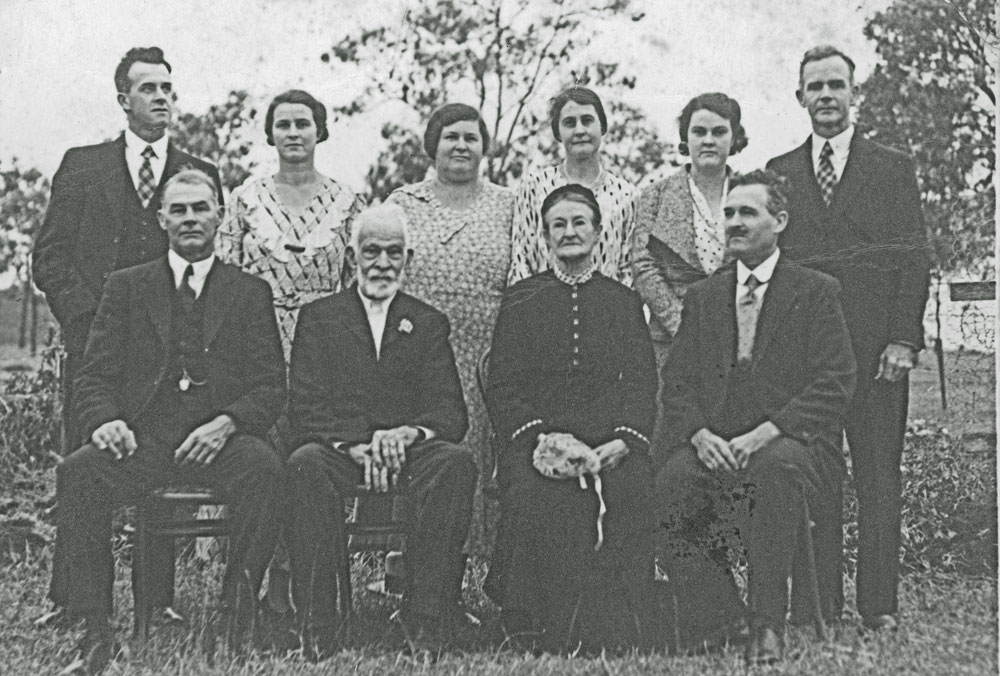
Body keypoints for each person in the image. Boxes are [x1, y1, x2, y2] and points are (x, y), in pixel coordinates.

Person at [52, 169, 286, 674]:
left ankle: (235, 614)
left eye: (200, 208)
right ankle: (95, 628)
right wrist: (106, 421)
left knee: (267, 471)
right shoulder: (127, 286)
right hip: (145, 440)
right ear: (161, 220)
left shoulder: (249, 292)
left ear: (220, 216)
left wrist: (228, 422)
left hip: (221, 440)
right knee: (78, 472)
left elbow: (270, 384)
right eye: (177, 210)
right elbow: (92, 375)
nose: (189, 219)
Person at [33, 45, 224, 631]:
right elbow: (50, 257)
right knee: (86, 466)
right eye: (148, 88)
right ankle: (71, 603)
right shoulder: (83, 166)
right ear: (124, 100)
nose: (162, 97)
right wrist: (89, 323)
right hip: (98, 356)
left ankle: (156, 599)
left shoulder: (198, 174)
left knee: (158, 462)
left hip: (173, 359)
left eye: (168, 87)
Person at [656, 170, 856, 665]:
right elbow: (677, 383)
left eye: (749, 212)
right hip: (718, 441)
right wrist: (700, 436)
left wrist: (766, 434)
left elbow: (835, 382)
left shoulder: (815, 291)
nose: (735, 223)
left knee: (773, 471)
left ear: (779, 221)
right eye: (729, 213)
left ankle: (768, 623)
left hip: (794, 443)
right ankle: (721, 613)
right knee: (669, 481)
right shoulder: (705, 297)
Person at [767, 45, 931, 631]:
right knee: (814, 476)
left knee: (878, 475)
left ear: (853, 93)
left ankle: (878, 606)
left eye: (837, 85)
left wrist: (903, 340)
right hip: (809, 360)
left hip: (877, 354)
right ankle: (818, 604)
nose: (827, 96)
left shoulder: (891, 166)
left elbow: (914, 257)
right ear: (801, 97)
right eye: (816, 87)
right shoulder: (780, 173)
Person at [286, 203, 475, 660]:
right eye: (372, 252)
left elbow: (451, 411)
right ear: (352, 258)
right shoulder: (319, 317)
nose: (383, 263)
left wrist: (408, 433)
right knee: (303, 464)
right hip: (339, 448)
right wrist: (356, 444)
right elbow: (305, 408)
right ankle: (320, 623)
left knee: (455, 463)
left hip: (407, 450)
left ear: (408, 259)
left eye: (394, 253)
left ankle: (425, 616)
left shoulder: (428, 321)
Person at [485, 184, 658, 654]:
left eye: (579, 222)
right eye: (558, 225)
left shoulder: (622, 301)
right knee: (536, 493)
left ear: (598, 231)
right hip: (540, 444)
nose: (569, 232)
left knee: (634, 487)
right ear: (544, 236)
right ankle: (536, 624)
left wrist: (626, 439)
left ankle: (617, 625)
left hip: (609, 443)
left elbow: (643, 381)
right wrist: (538, 440)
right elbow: (503, 383)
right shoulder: (522, 298)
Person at [387, 103, 513, 555]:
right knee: (420, 456)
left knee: (472, 461)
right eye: (451, 136)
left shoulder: (509, 205)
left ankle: (458, 581)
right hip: (415, 357)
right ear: (432, 146)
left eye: (471, 137)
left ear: (484, 147)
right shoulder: (403, 203)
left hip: (484, 356)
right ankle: (405, 577)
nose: (461, 145)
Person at [631, 92, 748, 450]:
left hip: (739, 334)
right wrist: (683, 324)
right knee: (670, 437)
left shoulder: (752, 191)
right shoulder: (655, 195)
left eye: (719, 131)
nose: (709, 140)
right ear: (686, 139)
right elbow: (642, 263)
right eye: (699, 131)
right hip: (671, 339)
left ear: (735, 137)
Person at [217, 89, 365, 362]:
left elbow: (358, 280)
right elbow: (225, 276)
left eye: (303, 124)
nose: (293, 133)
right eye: (283, 125)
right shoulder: (245, 199)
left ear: (319, 132)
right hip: (255, 338)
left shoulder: (348, 201)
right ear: (271, 135)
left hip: (327, 339)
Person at [509, 86, 638, 286]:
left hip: (606, 311)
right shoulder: (534, 187)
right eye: (569, 123)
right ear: (558, 132)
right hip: (543, 310)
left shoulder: (626, 196)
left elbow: (628, 270)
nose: (579, 130)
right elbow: (521, 261)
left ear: (602, 127)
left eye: (587, 121)